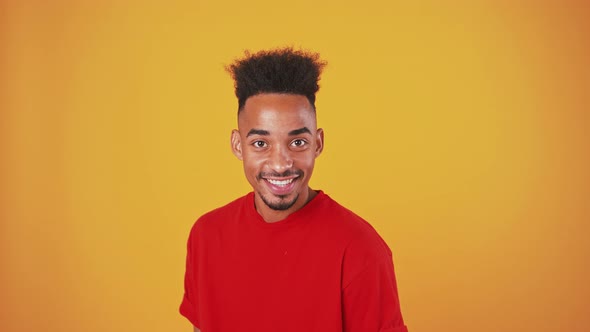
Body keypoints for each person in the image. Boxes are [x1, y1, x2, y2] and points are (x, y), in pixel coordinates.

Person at [179, 47, 408, 332]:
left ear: (318, 143)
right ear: (238, 146)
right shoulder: (206, 235)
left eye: (297, 142)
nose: (280, 164)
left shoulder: (361, 251)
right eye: (261, 143)